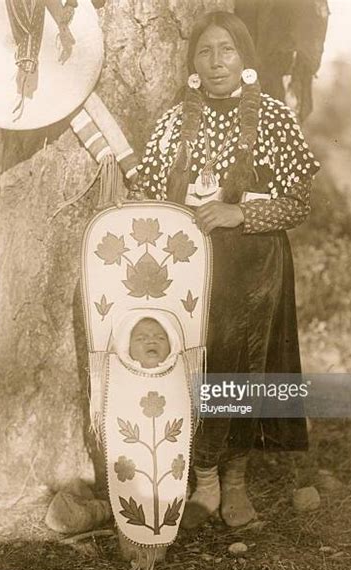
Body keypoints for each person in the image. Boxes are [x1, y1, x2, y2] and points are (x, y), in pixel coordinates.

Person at [132, 11, 320, 530]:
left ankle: (231, 483)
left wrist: (240, 213)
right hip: (187, 269)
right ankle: (200, 478)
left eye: (227, 51)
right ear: (192, 63)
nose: (216, 63)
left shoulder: (275, 118)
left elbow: (300, 202)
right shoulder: (174, 119)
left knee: (242, 367)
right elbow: (146, 189)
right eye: (205, 52)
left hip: (253, 268)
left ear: (245, 58)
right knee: (187, 363)